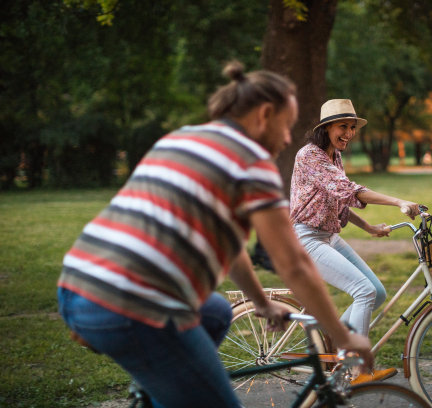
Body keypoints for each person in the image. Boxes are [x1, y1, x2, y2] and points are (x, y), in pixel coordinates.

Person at [57, 64, 373, 408]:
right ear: (265, 114)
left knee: (217, 313)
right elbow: (294, 264)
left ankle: (158, 392)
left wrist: (263, 304)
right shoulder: (251, 162)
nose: (287, 138)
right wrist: (345, 338)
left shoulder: (181, 138)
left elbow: (233, 248)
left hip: (77, 286)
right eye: (286, 125)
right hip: (131, 304)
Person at [289, 99, 426, 384]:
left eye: (352, 127)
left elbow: (339, 201)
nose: (349, 133)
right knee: (363, 291)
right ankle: (358, 371)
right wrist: (397, 201)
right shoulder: (309, 156)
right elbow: (350, 190)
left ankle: (341, 344)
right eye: (343, 127)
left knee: (376, 291)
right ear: (326, 127)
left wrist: (369, 228)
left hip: (328, 236)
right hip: (306, 238)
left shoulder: (333, 155)